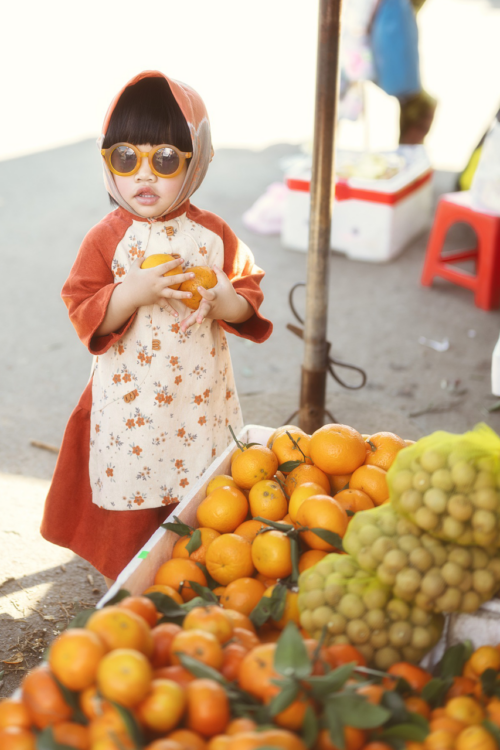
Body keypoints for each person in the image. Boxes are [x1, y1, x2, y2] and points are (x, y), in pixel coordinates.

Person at [40, 71, 273, 585]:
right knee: (133, 492)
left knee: (200, 492)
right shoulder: (108, 237)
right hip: (132, 406)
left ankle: (193, 571)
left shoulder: (212, 236)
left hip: (199, 397)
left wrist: (225, 300)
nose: (144, 176)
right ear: (108, 164)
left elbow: (249, 293)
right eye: (126, 158)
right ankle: (132, 583)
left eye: (165, 160)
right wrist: (130, 293)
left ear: (197, 160)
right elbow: (81, 300)